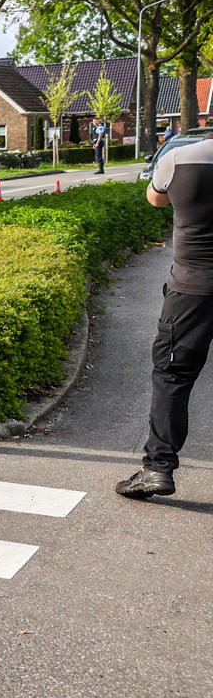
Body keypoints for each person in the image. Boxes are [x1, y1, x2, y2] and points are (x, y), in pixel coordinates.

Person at [118, 135, 213, 498]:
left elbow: (155, 198)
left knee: (173, 376)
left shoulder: (179, 157)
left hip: (191, 288)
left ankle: (157, 469)